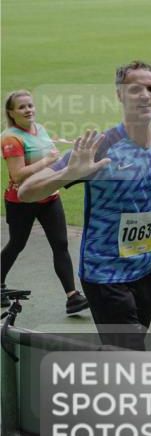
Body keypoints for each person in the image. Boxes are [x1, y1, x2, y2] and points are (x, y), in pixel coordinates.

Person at [19, 61, 151, 349]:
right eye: (135, 89)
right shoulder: (100, 147)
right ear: (119, 95)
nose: (144, 96)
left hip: (148, 270)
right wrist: (68, 174)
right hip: (104, 274)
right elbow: (26, 191)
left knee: (127, 352)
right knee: (130, 355)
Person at [1, 90, 89, 314]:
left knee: (60, 244)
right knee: (17, 244)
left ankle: (72, 297)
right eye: (22, 107)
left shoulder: (39, 128)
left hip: (49, 196)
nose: (28, 110)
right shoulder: (11, 137)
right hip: (22, 200)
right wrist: (49, 160)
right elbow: (18, 174)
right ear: (11, 112)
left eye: (30, 105)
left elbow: (51, 155)